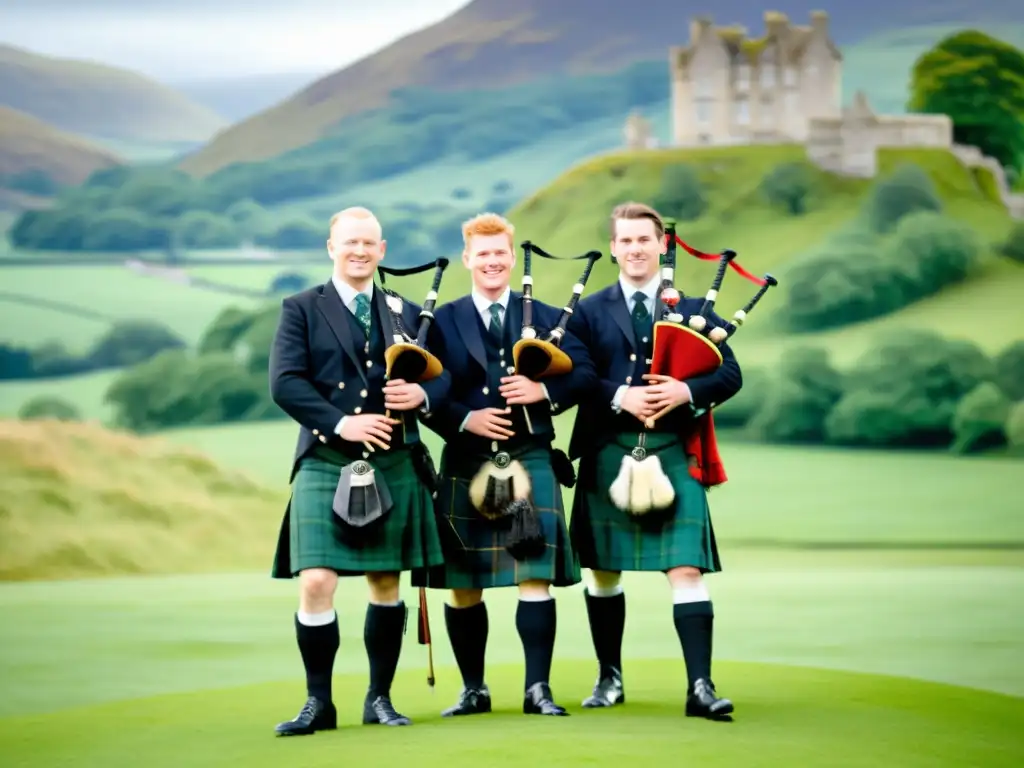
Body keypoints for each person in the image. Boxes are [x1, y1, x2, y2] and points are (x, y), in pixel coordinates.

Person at [268, 206, 450, 735]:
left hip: (393, 457)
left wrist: (421, 393)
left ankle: (380, 698)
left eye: (369, 243)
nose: (360, 251)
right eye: (350, 243)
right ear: (331, 247)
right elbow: (285, 382)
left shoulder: (406, 311)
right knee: (317, 581)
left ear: (382, 250)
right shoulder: (301, 308)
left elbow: (440, 380)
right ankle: (318, 702)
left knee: (385, 581)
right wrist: (341, 424)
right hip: (327, 457)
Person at [415, 212, 597, 718]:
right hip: (466, 456)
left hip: (530, 452)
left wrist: (546, 392)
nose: (493, 261)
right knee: (463, 580)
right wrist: (462, 418)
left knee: (533, 573)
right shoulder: (442, 320)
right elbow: (425, 386)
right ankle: (473, 689)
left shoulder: (548, 315)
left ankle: (537, 689)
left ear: (512, 259)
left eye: (501, 253)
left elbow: (584, 374)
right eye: (483, 253)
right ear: (468, 258)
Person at [565, 201, 741, 720]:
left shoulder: (691, 310)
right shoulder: (586, 311)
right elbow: (574, 376)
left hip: (671, 450)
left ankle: (701, 687)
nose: (636, 249)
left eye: (645, 239)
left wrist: (685, 390)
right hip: (607, 446)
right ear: (615, 247)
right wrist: (620, 396)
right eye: (626, 240)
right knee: (602, 570)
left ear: (662, 244)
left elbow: (729, 374)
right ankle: (608, 677)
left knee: (685, 568)